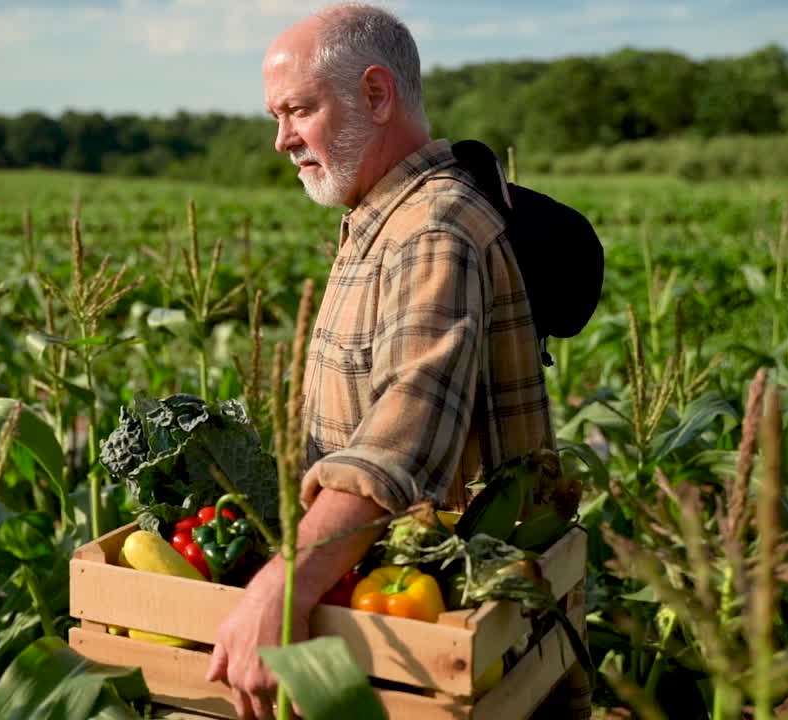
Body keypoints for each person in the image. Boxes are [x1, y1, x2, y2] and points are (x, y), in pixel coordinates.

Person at [206, 4, 567, 719]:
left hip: (455, 652)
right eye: (276, 117)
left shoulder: (432, 230)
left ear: (375, 95)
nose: (281, 140)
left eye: (297, 110)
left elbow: (398, 443)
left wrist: (283, 585)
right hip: (400, 621)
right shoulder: (383, 218)